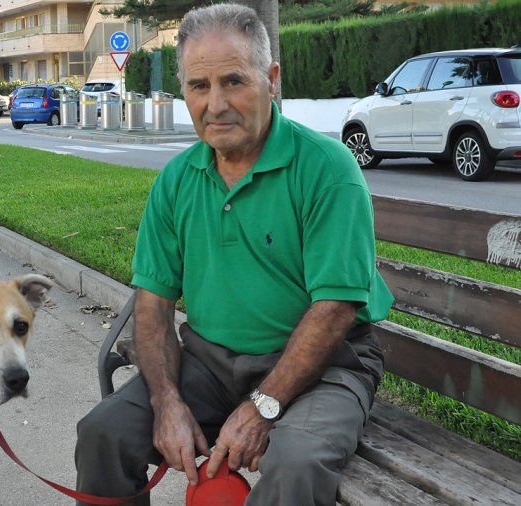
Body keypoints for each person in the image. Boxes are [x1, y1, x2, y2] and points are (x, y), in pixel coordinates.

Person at [74, 4, 394, 505]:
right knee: (103, 433)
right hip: (209, 363)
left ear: (271, 79)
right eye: (199, 86)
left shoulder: (327, 168)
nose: (215, 104)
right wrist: (165, 400)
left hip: (327, 367)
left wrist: (262, 405)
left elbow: (335, 310)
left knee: (295, 466)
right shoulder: (177, 180)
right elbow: (153, 304)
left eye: (233, 81)